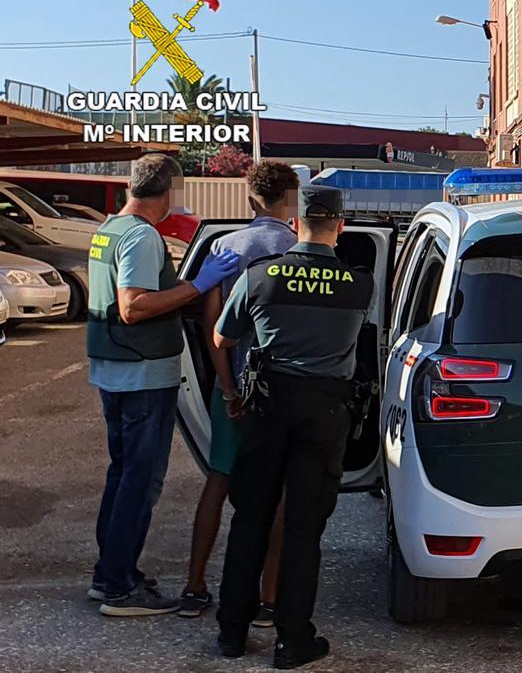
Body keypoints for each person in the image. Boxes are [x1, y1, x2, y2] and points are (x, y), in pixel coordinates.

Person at [214, 185, 373, 669]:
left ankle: (231, 635)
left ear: (294, 224)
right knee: (303, 530)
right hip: (325, 412)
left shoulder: (261, 276)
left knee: (250, 521)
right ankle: (293, 640)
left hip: (267, 406)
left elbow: (223, 335)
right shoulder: (359, 283)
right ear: (340, 226)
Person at [86, 153, 240, 616]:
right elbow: (133, 306)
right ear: (168, 191)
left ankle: (112, 574)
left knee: (122, 475)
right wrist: (199, 286)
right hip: (142, 374)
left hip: (113, 371)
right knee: (140, 480)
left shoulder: (108, 229)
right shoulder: (141, 237)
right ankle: (117, 587)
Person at [180, 161, 301, 623]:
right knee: (280, 492)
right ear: (291, 202)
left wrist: (228, 388)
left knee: (219, 480)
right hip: (286, 392)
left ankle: (194, 586)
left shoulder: (224, 249)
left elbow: (213, 330)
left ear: (252, 200)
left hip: (236, 388)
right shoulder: (303, 249)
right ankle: (269, 599)